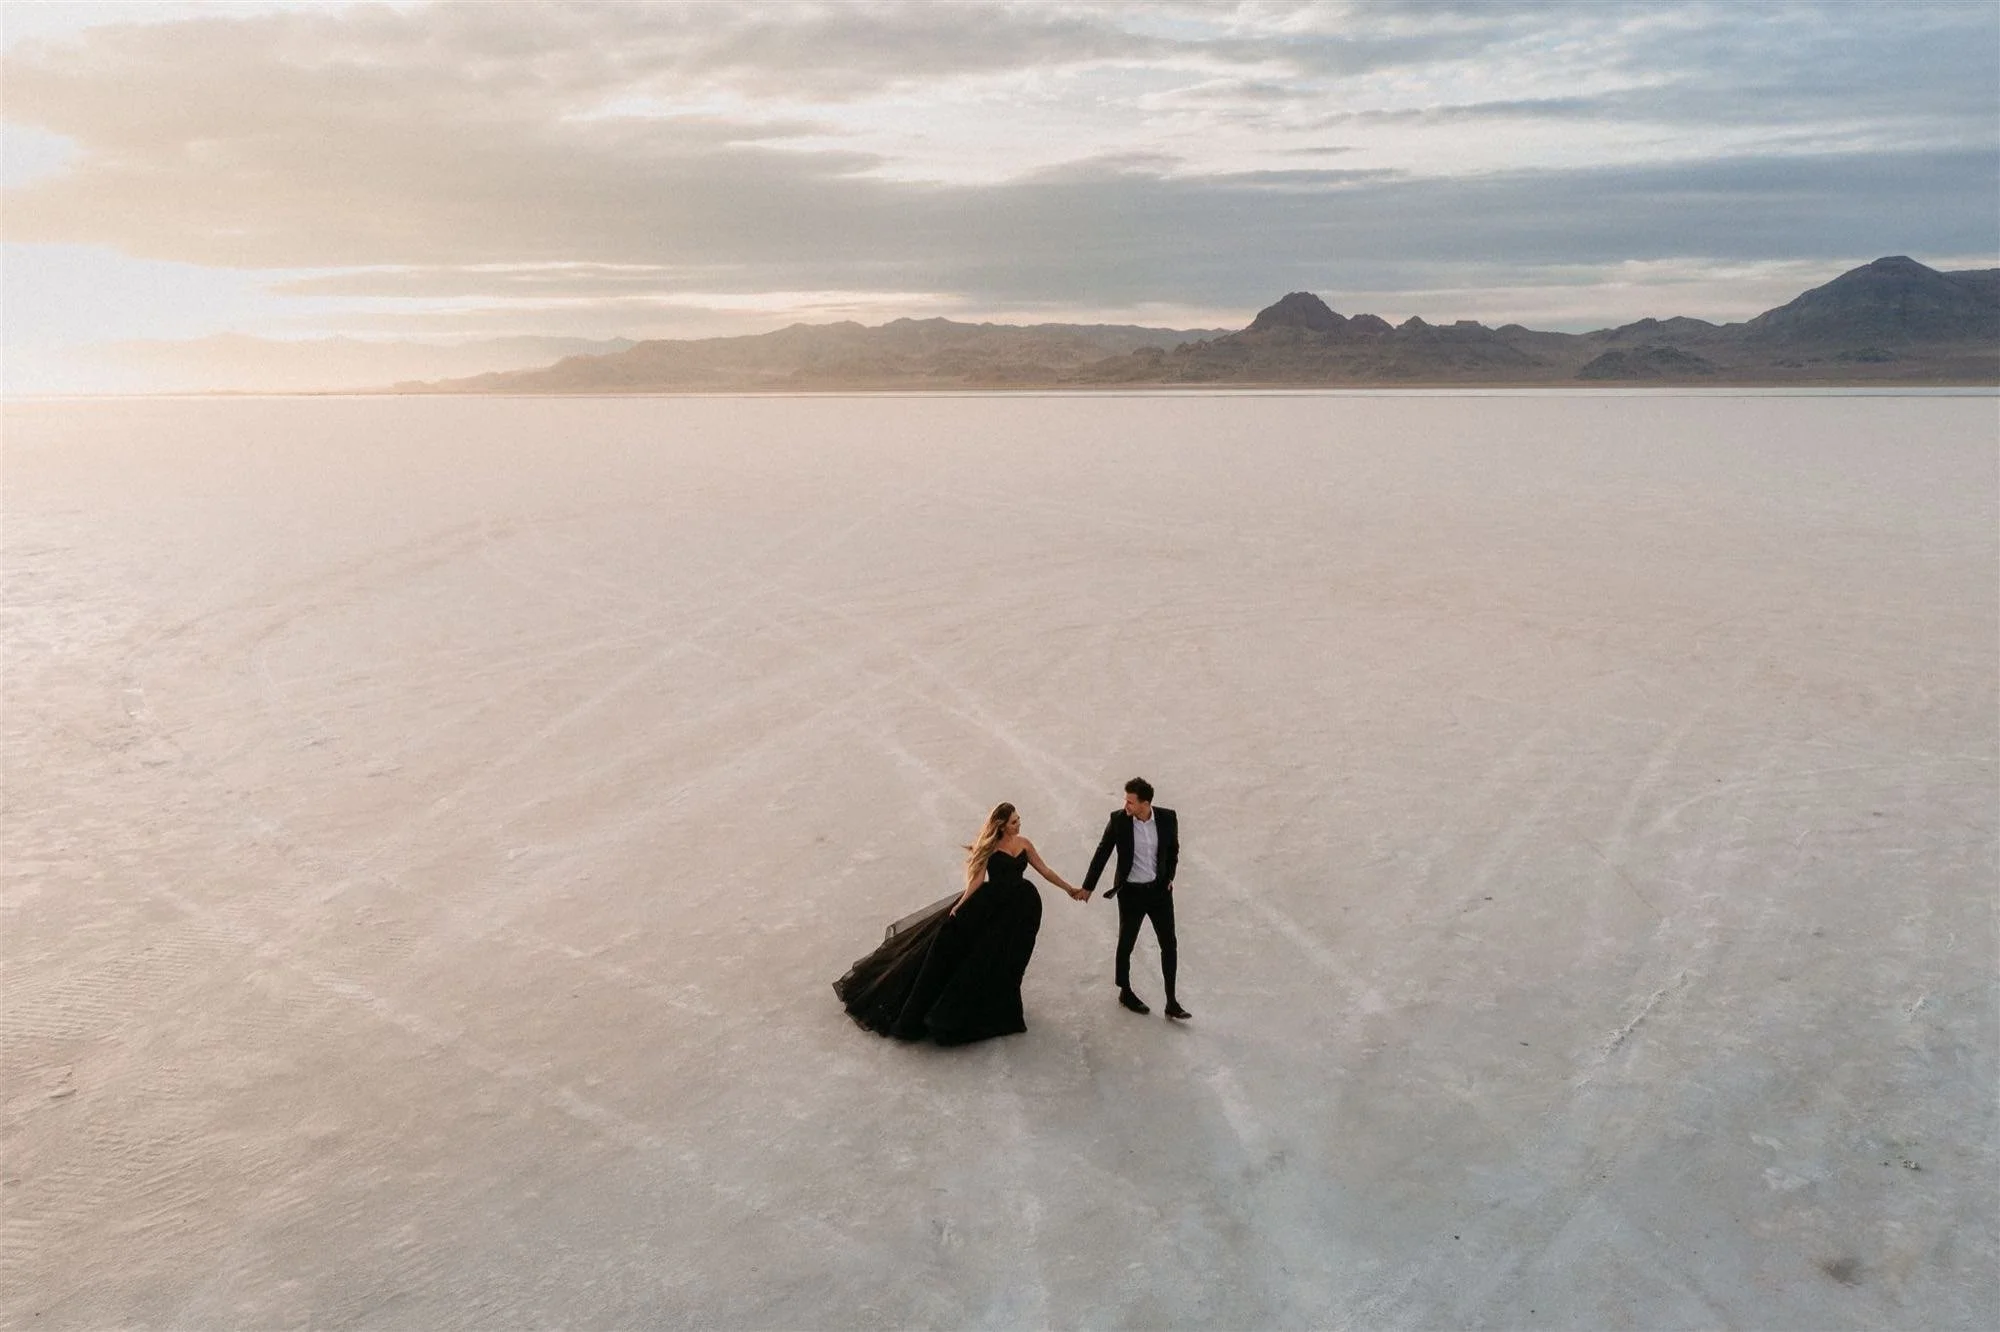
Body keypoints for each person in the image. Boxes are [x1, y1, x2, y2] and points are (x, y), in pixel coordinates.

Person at [834, 802, 1083, 1045]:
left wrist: (1069, 888)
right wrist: (960, 905)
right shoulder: (989, 848)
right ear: (1002, 825)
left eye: (1019, 820)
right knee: (981, 958)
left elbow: (1045, 870)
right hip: (993, 909)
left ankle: (1005, 1009)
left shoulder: (1024, 844)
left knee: (1012, 960)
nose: (1019, 824)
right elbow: (975, 883)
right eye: (1014, 821)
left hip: (1020, 910)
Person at [1081, 777, 1188, 1020]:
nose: (1125, 805)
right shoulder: (1118, 821)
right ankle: (1125, 990)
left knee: (1169, 944)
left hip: (1159, 892)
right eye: (1125, 800)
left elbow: (1173, 849)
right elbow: (1102, 853)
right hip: (1131, 893)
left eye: (1130, 801)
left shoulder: (1167, 818)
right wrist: (1088, 887)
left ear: (1145, 803)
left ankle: (1171, 1000)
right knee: (1126, 942)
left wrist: (1170, 875)